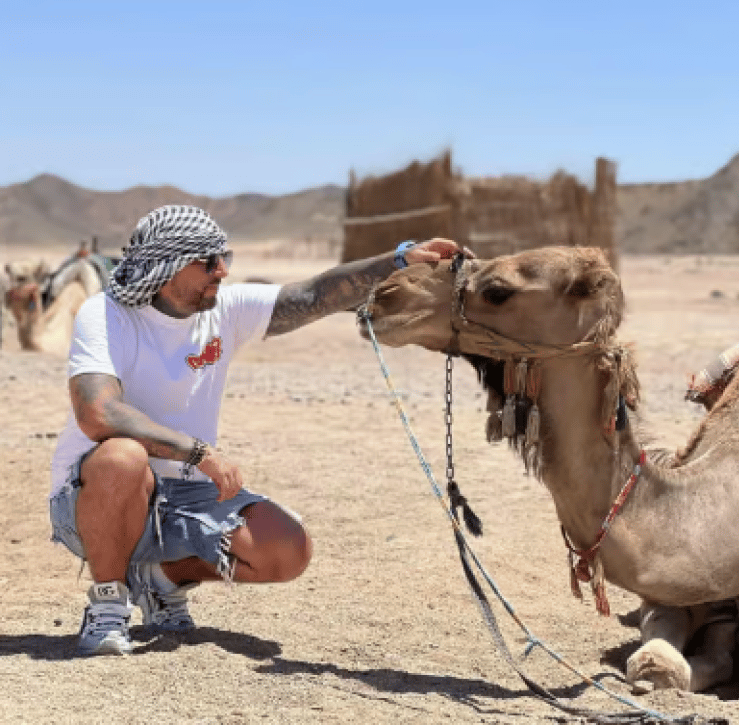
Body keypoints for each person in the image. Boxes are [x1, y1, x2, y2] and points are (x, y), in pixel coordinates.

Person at [49, 204, 469, 656]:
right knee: (123, 456)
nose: (223, 270)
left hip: (186, 497)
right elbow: (99, 412)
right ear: (167, 265)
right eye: (208, 261)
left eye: (223, 256)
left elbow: (315, 294)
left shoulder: (225, 310)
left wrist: (399, 259)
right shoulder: (107, 314)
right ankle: (109, 605)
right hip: (96, 499)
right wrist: (197, 453)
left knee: (287, 549)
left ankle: (158, 580)